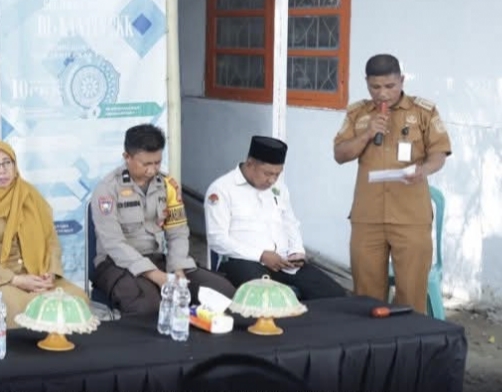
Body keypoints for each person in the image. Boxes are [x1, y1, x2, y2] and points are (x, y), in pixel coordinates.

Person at [333, 54, 450, 314]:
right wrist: (367, 133)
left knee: (411, 295)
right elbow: (340, 154)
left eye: (390, 86)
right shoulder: (358, 113)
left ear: (402, 81)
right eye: (375, 87)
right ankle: (370, 340)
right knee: (366, 297)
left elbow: (439, 153)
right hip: (368, 216)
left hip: (410, 216)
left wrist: (424, 170)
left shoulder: (424, 111)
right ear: (366, 83)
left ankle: (409, 340)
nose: (382, 94)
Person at [90, 124, 236, 315]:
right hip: (116, 264)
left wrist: (177, 268)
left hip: (157, 258)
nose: (152, 170)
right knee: (149, 306)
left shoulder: (168, 185)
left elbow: (178, 232)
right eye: (145, 164)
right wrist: (156, 275)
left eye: (157, 163)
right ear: (127, 157)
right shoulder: (107, 189)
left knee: (223, 292)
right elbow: (113, 243)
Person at [0, 140, 87, 327]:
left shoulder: (29, 195)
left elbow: (51, 241)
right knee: (20, 308)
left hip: (34, 273)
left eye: (7, 163)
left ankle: (58, 345)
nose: (2, 170)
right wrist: (15, 280)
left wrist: (50, 272)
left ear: (15, 165)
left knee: (77, 299)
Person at [206, 136, 346, 300]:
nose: (272, 180)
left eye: (277, 174)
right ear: (250, 164)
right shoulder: (222, 189)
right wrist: (261, 255)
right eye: (267, 173)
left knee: (334, 294)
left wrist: (297, 251)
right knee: (269, 300)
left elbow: (290, 223)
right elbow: (217, 239)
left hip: (284, 263)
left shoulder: (279, 188)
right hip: (243, 261)